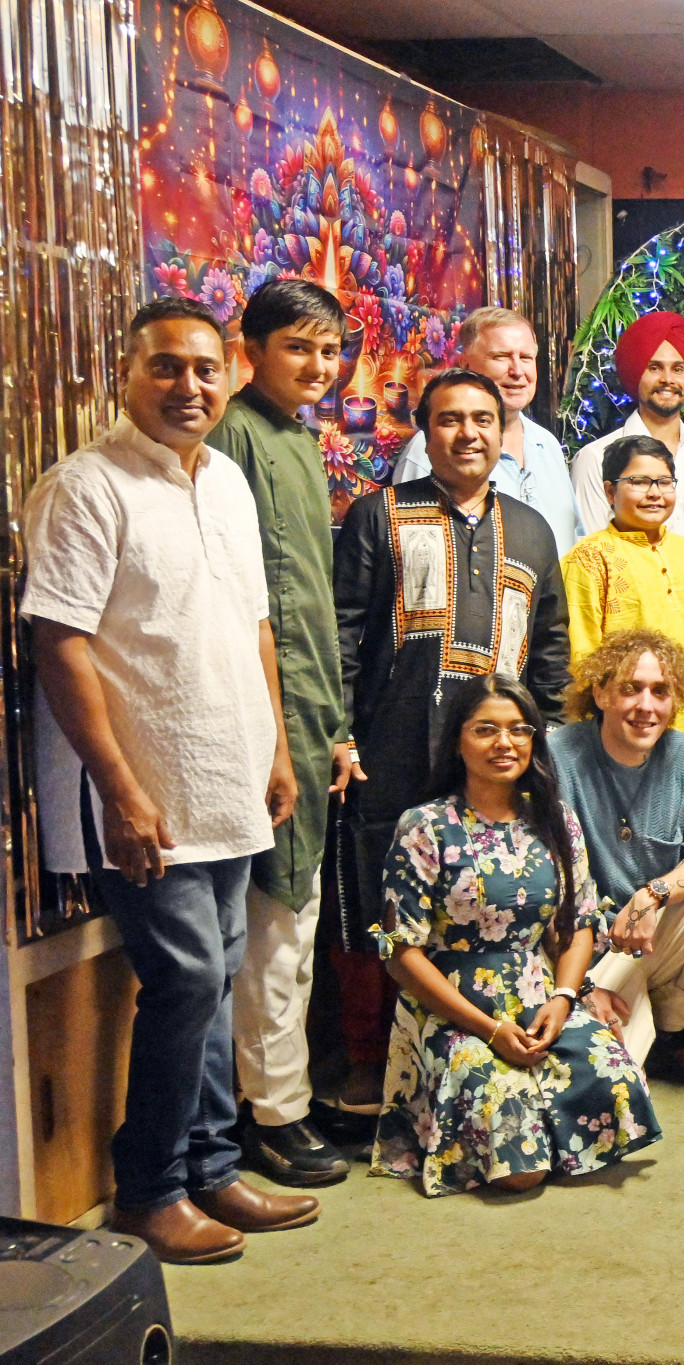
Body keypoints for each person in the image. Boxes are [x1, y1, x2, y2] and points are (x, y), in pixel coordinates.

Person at [25, 297, 315, 1263]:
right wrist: (119, 786)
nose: (188, 386)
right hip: (143, 790)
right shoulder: (86, 486)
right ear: (128, 372)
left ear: (227, 372)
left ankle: (212, 1167)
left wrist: (273, 749)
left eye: (203, 368)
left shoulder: (228, 479)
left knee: (219, 971)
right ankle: (148, 1187)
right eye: (165, 368)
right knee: (186, 974)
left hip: (228, 776)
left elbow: (256, 627)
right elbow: (59, 641)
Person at [333, 368, 571, 1113]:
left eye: (481, 419)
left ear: (504, 432)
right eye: (448, 420)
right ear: (424, 431)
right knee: (380, 904)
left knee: (487, 899)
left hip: (495, 765)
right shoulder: (380, 515)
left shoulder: (531, 529)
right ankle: (373, 1062)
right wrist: (341, 733)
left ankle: (481, 1040)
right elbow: (341, 632)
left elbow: (552, 647)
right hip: (393, 747)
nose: (467, 433)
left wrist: (546, 741)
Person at [372, 674, 660, 1197]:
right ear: (457, 740)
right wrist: (487, 1029)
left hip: (539, 999)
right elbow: (399, 953)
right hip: (451, 1007)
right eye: (486, 730)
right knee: (522, 1174)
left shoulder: (555, 820)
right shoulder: (425, 826)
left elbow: (579, 925)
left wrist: (564, 997)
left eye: (519, 730)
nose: (505, 744)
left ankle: (535, 1118)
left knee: (614, 1075)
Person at [210, 280, 353, 1188]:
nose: (317, 366)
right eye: (298, 348)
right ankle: (273, 1114)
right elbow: (253, 605)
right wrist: (284, 732)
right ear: (250, 347)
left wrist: (334, 730)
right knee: (274, 926)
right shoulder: (232, 438)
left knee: (296, 920)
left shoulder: (300, 440)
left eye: (329, 351)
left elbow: (312, 603)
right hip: (263, 716)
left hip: (309, 714)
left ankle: (286, 1095)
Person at [550, 630, 684, 1079]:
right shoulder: (558, 755)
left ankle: (671, 1030)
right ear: (600, 692)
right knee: (606, 1088)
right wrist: (581, 980)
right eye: (631, 688)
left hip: (649, 935)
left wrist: (653, 894)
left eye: (660, 691)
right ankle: (618, 1023)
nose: (646, 706)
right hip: (575, 948)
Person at [558, 433, 684, 800]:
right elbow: (582, 657)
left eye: (664, 482)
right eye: (638, 481)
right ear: (609, 491)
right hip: (628, 724)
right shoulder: (589, 557)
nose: (654, 493)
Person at [392, 307, 578, 552]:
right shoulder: (432, 450)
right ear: (465, 364)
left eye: (526, 358)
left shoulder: (548, 444)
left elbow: (575, 539)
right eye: (501, 356)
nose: (517, 371)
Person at [571, 311, 684, 541]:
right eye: (655, 368)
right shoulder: (595, 459)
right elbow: (588, 553)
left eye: (678, 369)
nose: (667, 379)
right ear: (636, 373)